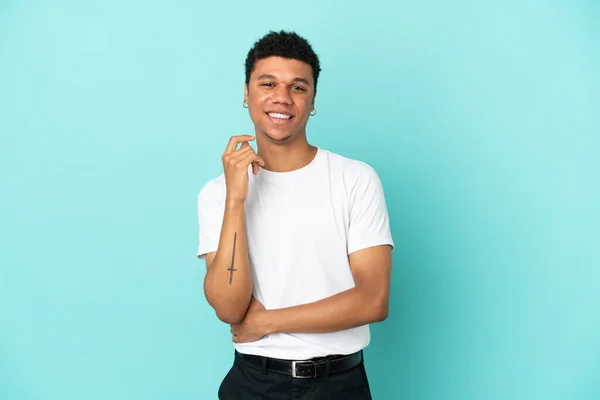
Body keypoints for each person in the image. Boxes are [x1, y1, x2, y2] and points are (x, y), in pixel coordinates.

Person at [196, 30, 394, 399]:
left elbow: (373, 299)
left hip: (340, 383)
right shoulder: (217, 194)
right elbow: (228, 306)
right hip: (253, 383)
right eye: (268, 83)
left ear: (313, 99)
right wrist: (236, 200)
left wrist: (268, 321)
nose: (282, 98)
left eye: (298, 87)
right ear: (246, 92)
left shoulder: (354, 179)